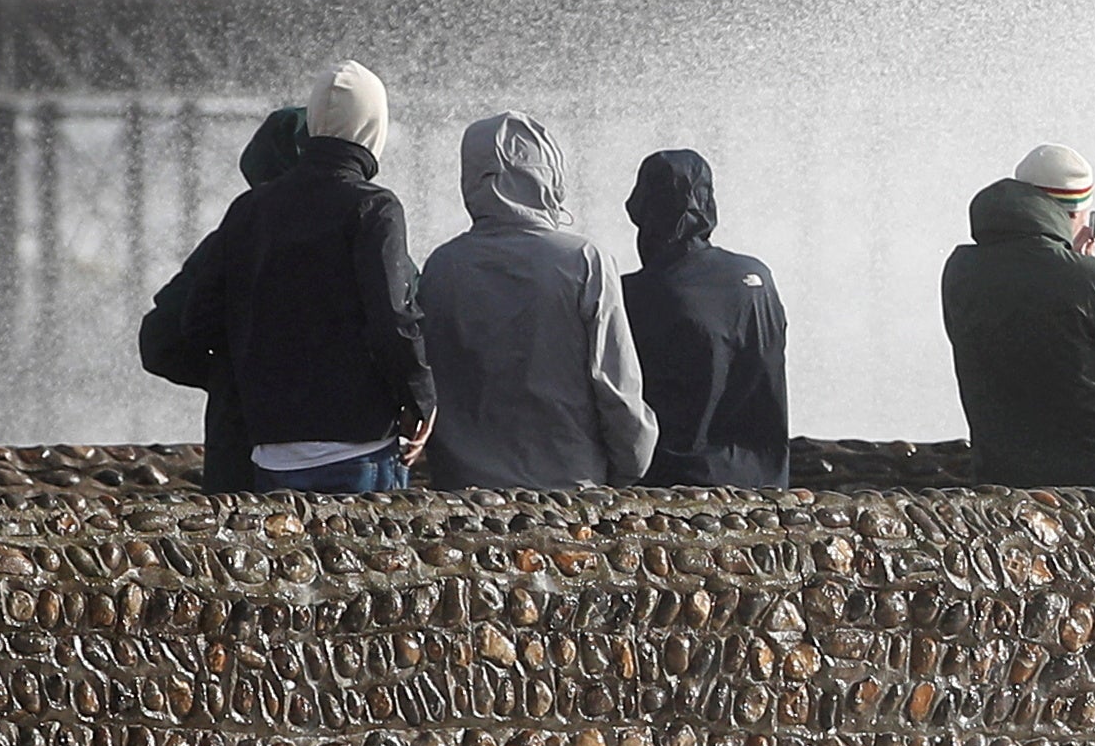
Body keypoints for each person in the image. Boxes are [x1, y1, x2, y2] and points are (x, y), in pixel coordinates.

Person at [204, 60, 436, 495]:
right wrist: (421, 397)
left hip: (271, 451)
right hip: (358, 447)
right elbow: (392, 315)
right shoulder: (374, 207)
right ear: (374, 127)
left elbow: (199, 318)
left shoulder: (250, 209)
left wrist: (255, 379)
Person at [414, 114, 654, 492]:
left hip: (462, 490)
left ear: (471, 178)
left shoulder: (441, 267)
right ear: (548, 173)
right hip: (570, 486)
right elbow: (615, 386)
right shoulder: (585, 261)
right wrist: (629, 466)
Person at [941, 142, 1095, 486]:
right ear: (1071, 213)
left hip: (1003, 472)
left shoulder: (961, 270)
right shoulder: (1090, 280)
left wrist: (1075, 262)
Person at [134, 102, 313, 492]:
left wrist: (231, 374)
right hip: (347, 455)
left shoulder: (231, 239)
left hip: (240, 454)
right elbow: (405, 323)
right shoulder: (364, 227)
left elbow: (159, 341)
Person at [619, 149, 792, 489]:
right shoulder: (756, 278)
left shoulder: (633, 294)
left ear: (642, 208)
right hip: (763, 481)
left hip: (671, 483)